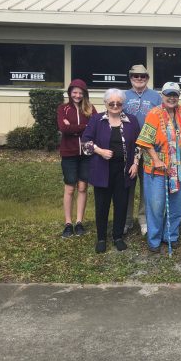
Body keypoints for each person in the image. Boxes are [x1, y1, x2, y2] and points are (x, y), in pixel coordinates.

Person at [136, 82, 181, 254]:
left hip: (179, 170)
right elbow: (145, 141)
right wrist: (156, 159)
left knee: (176, 206)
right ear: (162, 95)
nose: (172, 98)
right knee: (156, 206)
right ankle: (154, 240)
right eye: (168, 94)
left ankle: (170, 237)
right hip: (157, 170)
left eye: (175, 94)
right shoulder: (154, 114)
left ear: (178, 96)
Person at [82, 89, 141, 253]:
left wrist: (135, 163)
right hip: (102, 169)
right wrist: (100, 151)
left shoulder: (132, 120)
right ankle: (101, 238)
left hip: (123, 170)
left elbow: (138, 144)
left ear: (123, 104)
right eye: (111, 103)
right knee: (102, 205)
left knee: (121, 204)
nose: (115, 106)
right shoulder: (96, 120)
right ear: (106, 104)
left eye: (119, 103)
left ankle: (118, 236)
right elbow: (85, 142)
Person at [123, 64, 163, 235]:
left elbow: (163, 120)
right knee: (128, 184)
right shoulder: (123, 96)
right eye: (135, 76)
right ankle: (126, 220)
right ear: (130, 77)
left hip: (149, 148)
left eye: (142, 76)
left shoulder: (156, 97)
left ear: (147, 78)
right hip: (129, 147)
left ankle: (144, 219)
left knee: (147, 185)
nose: (139, 79)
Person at [57, 79, 97, 238]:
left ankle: (79, 222)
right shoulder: (63, 109)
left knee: (82, 187)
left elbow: (94, 127)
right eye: (74, 92)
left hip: (86, 154)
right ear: (69, 92)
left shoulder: (90, 108)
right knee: (70, 188)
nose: (77, 95)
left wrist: (74, 129)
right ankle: (68, 223)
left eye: (80, 92)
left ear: (84, 94)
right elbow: (63, 128)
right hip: (69, 153)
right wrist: (83, 128)